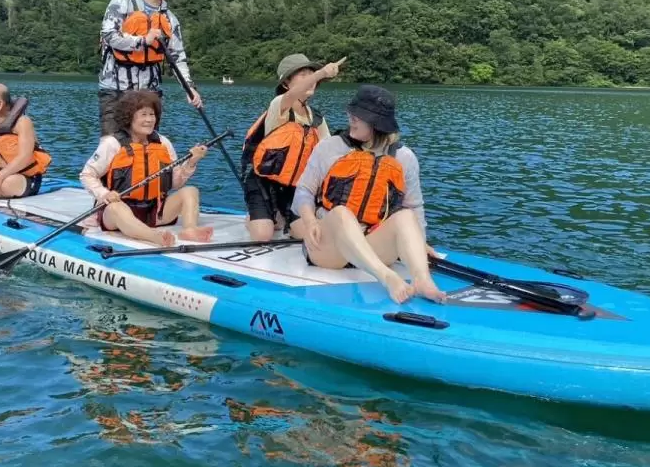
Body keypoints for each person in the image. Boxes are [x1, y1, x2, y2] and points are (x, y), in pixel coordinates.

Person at [292, 85, 444, 305]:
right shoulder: (330, 147)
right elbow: (303, 192)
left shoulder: (404, 157)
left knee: (405, 215)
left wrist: (420, 243)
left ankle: (422, 280)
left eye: (359, 116)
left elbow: (414, 206)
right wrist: (309, 220)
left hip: (374, 243)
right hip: (330, 249)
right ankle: (387, 277)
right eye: (352, 113)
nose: (351, 118)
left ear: (377, 124)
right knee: (341, 212)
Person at [80, 89, 214, 247]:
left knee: (190, 191)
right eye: (143, 115)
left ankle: (190, 230)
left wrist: (191, 162)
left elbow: (175, 183)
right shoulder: (112, 143)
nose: (149, 120)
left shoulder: (163, 143)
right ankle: (155, 237)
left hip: (154, 211)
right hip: (118, 213)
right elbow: (87, 175)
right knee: (116, 208)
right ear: (129, 117)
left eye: (152, 115)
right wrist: (104, 194)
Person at [240, 53, 345, 241]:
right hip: (263, 181)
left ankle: (280, 216)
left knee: (303, 234)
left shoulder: (316, 119)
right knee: (263, 235)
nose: (310, 80)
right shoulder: (279, 105)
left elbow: (328, 155)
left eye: (310, 74)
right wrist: (321, 73)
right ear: (286, 83)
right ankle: (255, 218)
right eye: (302, 75)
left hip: (294, 186)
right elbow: (291, 95)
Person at [97, 0, 203, 136]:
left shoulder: (169, 18)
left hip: (149, 94)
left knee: (147, 151)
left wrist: (190, 88)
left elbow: (177, 57)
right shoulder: (123, 1)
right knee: (113, 149)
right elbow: (108, 35)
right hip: (116, 91)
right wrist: (142, 41)